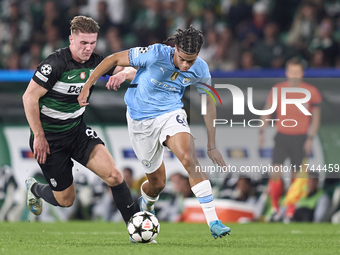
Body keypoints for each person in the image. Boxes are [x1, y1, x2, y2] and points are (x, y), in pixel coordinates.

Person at [78, 26, 231, 239]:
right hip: (140, 120)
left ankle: (213, 221)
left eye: (191, 60)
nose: (186, 65)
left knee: (189, 157)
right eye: (183, 59)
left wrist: (212, 145)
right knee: (157, 183)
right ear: (174, 48)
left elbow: (209, 104)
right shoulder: (156, 53)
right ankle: (146, 207)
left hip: (171, 113)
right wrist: (88, 85)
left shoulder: (201, 69)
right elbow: (113, 59)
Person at [22, 16, 138, 227]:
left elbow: (131, 71)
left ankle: (137, 228)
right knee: (66, 200)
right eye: (83, 43)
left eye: (92, 43)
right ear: (71, 40)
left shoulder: (97, 62)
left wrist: (123, 75)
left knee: (114, 175)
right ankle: (34, 188)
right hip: (50, 139)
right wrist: (38, 135)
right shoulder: (55, 63)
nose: (88, 48)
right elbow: (29, 97)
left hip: (77, 132)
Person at [259, 57, 322, 218]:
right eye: (291, 71)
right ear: (287, 72)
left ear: (302, 73)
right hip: (282, 136)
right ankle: (275, 206)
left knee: (295, 175)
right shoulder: (278, 89)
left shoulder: (311, 91)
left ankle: (291, 208)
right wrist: (262, 131)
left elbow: (316, 116)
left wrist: (310, 137)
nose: (294, 75)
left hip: (300, 137)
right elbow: (267, 111)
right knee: (275, 172)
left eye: (297, 71)